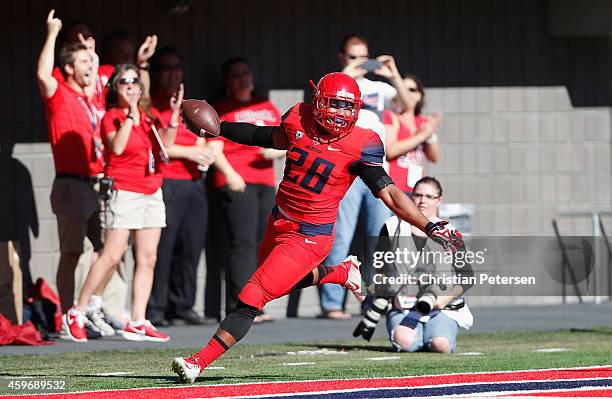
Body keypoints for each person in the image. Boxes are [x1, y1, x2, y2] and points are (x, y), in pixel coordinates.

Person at [172, 72, 463, 383]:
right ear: (318, 101)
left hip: (310, 237)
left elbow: (390, 193)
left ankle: (197, 362)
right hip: (279, 219)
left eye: (346, 107)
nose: (339, 113)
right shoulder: (298, 118)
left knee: (252, 296)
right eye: (334, 105)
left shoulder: (362, 144)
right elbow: (265, 136)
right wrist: (218, 130)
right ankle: (339, 273)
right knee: (276, 285)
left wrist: (430, 225)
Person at [62, 64, 183, 343]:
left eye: (135, 81)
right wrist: (130, 114)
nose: (130, 85)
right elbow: (116, 147)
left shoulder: (149, 115)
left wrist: (174, 114)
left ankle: (138, 320)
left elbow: (164, 148)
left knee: (148, 258)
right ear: (115, 89)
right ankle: (77, 311)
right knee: (113, 253)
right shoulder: (113, 116)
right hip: (125, 190)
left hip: (152, 189)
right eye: (124, 82)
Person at [319, 34, 414, 319]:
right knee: (341, 238)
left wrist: (393, 73)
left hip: (375, 169)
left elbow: (407, 103)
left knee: (377, 238)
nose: (360, 62)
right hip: (344, 170)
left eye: (364, 56)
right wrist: (345, 74)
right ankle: (332, 303)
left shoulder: (377, 87)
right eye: (353, 57)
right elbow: (318, 103)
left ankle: (370, 300)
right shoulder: (335, 83)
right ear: (341, 58)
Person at [36, 10, 108, 329]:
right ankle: (67, 317)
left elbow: (94, 75)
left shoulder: (91, 98)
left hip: (97, 183)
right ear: (68, 69)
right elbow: (42, 76)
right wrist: (52, 34)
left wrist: (90, 53)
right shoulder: (60, 93)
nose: (91, 67)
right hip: (72, 184)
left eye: (92, 63)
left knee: (110, 249)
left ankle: (87, 308)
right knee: (72, 253)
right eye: (83, 63)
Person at [207, 57, 284, 322]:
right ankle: (241, 306)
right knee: (243, 244)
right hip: (237, 181)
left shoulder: (267, 107)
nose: (243, 78)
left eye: (246, 72)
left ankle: (256, 301)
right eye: (236, 75)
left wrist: (274, 153)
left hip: (264, 182)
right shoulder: (222, 110)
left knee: (263, 243)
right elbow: (213, 149)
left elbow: (286, 141)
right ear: (228, 82)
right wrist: (230, 174)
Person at [147, 47, 218, 326]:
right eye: (166, 67)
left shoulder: (190, 105)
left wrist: (206, 152)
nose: (172, 73)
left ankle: (184, 305)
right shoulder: (150, 104)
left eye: (177, 67)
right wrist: (188, 153)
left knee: (191, 247)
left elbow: (204, 137)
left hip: (193, 183)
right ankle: (156, 309)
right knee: (164, 248)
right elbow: (158, 146)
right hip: (166, 182)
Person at [382, 177, 473, 352]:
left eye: (429, 196)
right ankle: (418, 335)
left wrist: (443, 299)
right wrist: (389, 293)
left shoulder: (450, 233)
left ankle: (435, 332)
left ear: (439, 200)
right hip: (404, 306)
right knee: (406, 343)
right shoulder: (392, 226)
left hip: (440, 307)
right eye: (418, 195)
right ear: (411, 197)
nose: (422, 200)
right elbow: (379, 268)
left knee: (440, 345)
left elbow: (467, 277)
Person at [384, 75, 440, 194]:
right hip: (394, 187)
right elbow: (390, 151)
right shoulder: (392, 117)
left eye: (412, 90)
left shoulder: (422, 121)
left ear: (419, 95)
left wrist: (430, 134)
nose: (406, 93)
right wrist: (421, 135)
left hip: (416, 188)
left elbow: (434, 157)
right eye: (402, 88)